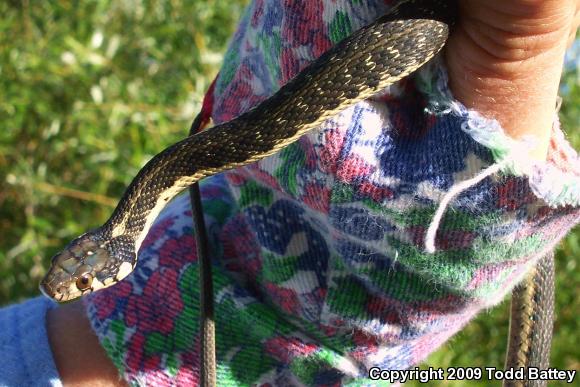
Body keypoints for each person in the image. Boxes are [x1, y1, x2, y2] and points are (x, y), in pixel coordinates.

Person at [1, 0, 579, 385]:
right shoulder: (162, 186)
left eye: (79, 278)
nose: (70, 286)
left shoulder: (168, 180)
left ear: (104, 250)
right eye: (80, 280)